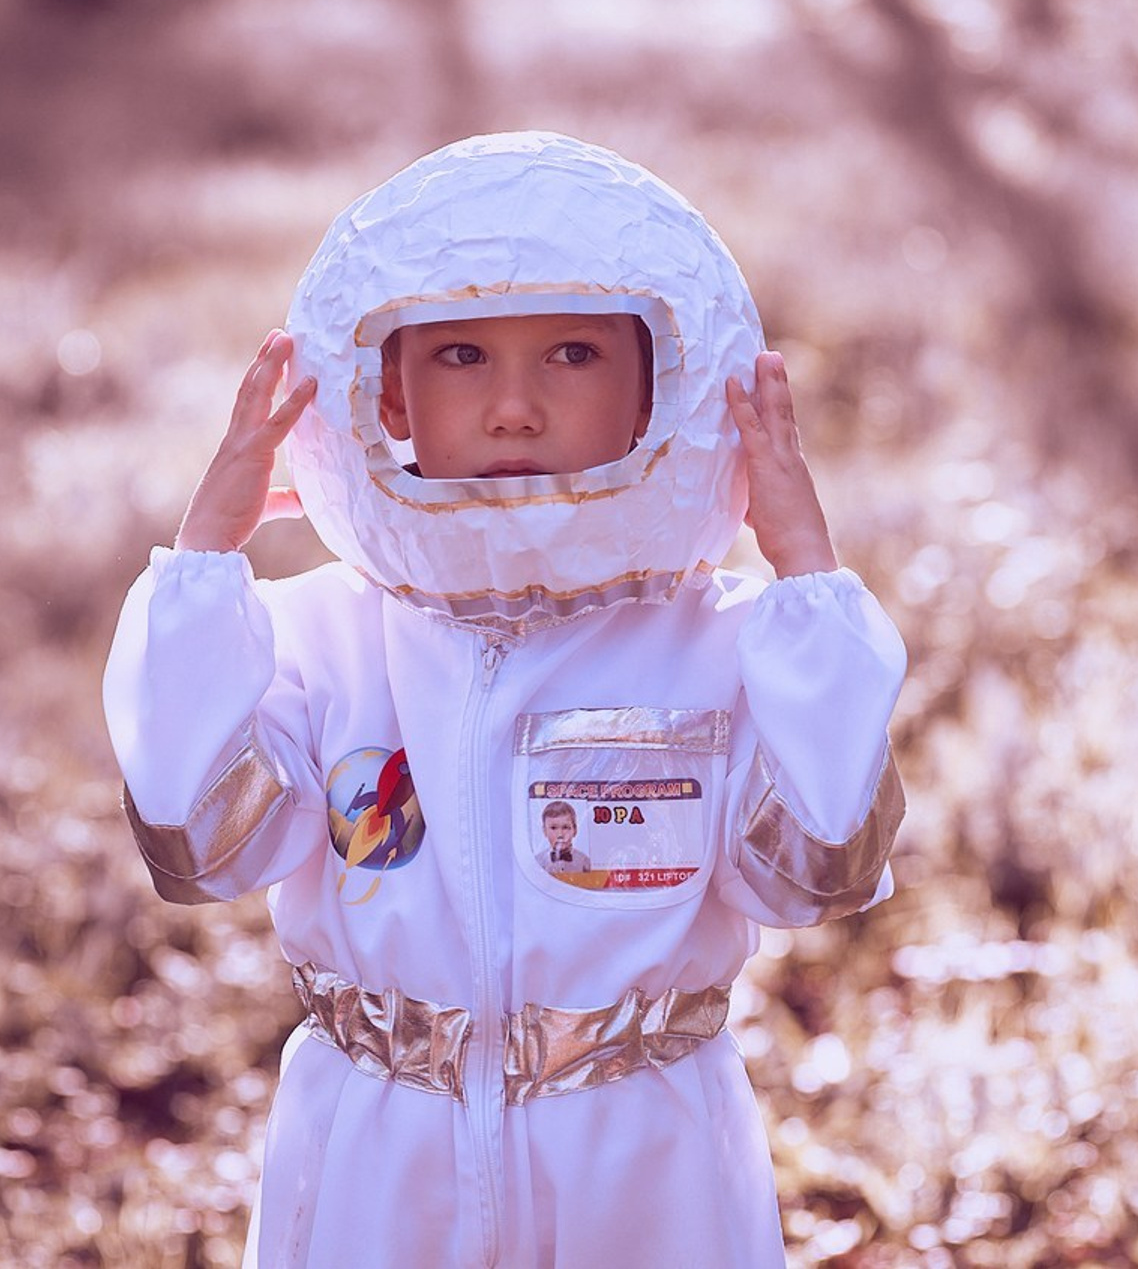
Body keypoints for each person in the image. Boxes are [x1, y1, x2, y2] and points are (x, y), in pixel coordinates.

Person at [103, 131, 907, 1269]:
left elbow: (816, 865)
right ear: (378, 386)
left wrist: (806, 580)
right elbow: (200, 843)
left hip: (645, 1168)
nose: (516, 406)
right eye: (463, 354)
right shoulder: (324, 640)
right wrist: (203, 562)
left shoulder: (715, 647)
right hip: (379, 1166)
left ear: (664, 385)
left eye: (573, 352)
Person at [537, 801, 590, 876]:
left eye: (565, 827)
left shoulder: (585, 862)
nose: (560, 834)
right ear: (544, 831)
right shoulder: (537, 862)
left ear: (575, 830)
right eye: (553, 828)